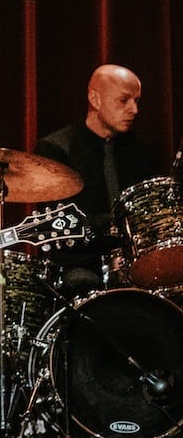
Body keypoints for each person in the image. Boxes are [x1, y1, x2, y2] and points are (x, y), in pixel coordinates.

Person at [34, 64, 155, 296]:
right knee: (81, 282)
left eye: (137, 101)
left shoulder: (139, 152)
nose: (134, 109)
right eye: (124, 100)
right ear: (95, 99)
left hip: (132, 262)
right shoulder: (57, 149)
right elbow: (59, 226)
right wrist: (115, 225)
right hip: (79, 264)